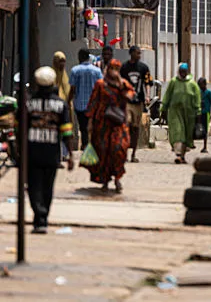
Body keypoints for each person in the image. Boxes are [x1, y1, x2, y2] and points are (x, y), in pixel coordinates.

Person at [26, 66, 74, 233]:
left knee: (34, 186)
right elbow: (67, 131)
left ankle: (39, 217)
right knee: (47, 187)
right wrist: (70, 155)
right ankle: (43, 218)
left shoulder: (29, 103)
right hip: (51, 153)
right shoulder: (61, 105)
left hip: (32, 152)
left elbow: (19, 129)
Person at [84, 59, 133, 192]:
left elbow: (130, 96)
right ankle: (104, 180)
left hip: (119, 123)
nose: (114, 71)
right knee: (103, 151)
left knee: (119, 149)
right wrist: (90, 121)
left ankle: (117, 178)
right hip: (102, 124)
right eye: (112, 68)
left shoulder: (123, 84)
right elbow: (93, 102)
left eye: (116, 69)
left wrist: (120, 86)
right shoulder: (100, 84)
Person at [161, 63, 201, 164]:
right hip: (175, 112)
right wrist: (163, 109)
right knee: (178, 132)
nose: (183, 73)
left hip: (189, 113)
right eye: (181, 71)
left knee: (187, 135)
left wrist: (198, 112)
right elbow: (167, 96)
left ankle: (182, 156)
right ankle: (178, 154)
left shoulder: (192, 84)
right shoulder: (173, 82)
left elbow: (197, 98)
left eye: (185, 71)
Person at [68, 48, 102, 152]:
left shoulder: (75, 70)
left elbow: (72, 89)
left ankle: (85, 145)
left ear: (81, 57)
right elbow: (101, 86)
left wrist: (68, 100)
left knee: (83, 128)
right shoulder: (97, 70)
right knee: (93, 127)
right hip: (94, 104)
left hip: (80, 104)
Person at [121, 46, 151, 163]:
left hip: (139, 101)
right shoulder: (124, 67)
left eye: (140, 53)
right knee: (126, 124)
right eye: (137, 53)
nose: (139, 55)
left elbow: (147, 82)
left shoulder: (143, 68)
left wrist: (148, 96)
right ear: (131, 53)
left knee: (135, 128)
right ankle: (124, 151)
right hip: (127, 101)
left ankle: (133, 153)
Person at [198, 77, 211, 153]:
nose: (200, 87)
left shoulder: (208, 93)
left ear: (205, 84)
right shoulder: (199, 92)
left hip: (206, 113)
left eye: (201, 85)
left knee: (205, 130)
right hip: (199, 113)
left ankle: (205, 146)